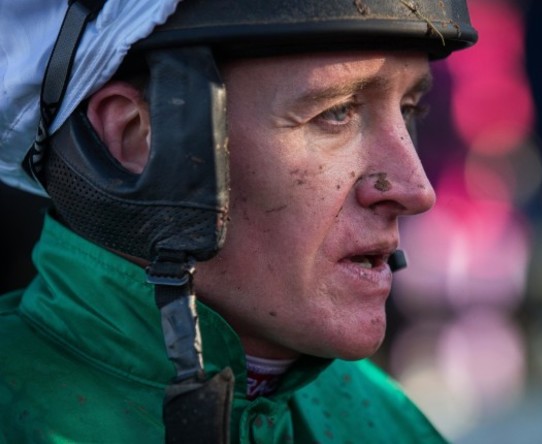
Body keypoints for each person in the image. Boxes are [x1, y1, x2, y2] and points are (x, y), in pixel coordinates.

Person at [0, 0, 477, 442]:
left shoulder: (388, 419)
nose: (416, 190)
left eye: (409, 110)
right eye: (337, 112)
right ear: (137, 138)